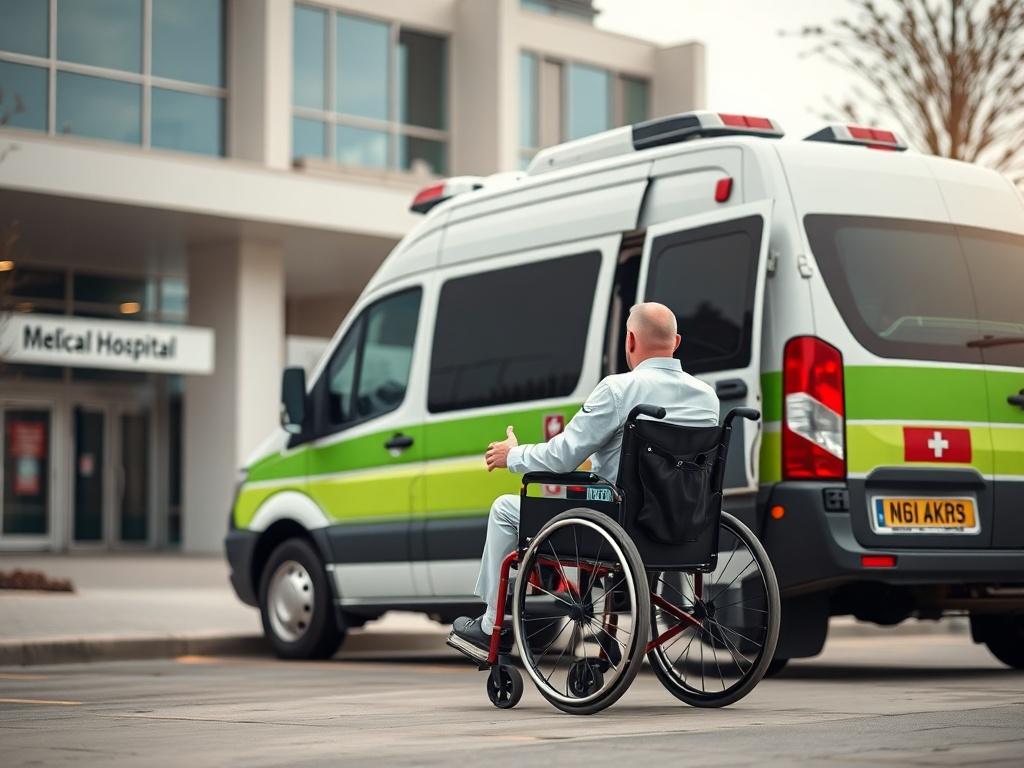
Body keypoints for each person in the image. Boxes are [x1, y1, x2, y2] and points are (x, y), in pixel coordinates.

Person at [449, 302, 720, 657]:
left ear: (630, 339)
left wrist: (511, 455)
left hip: (615, 523)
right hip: (686, 524)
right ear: (676, 342)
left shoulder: (619, 389)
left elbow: (563, 457)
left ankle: (490, 627)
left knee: (504, 509)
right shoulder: (707, 397)